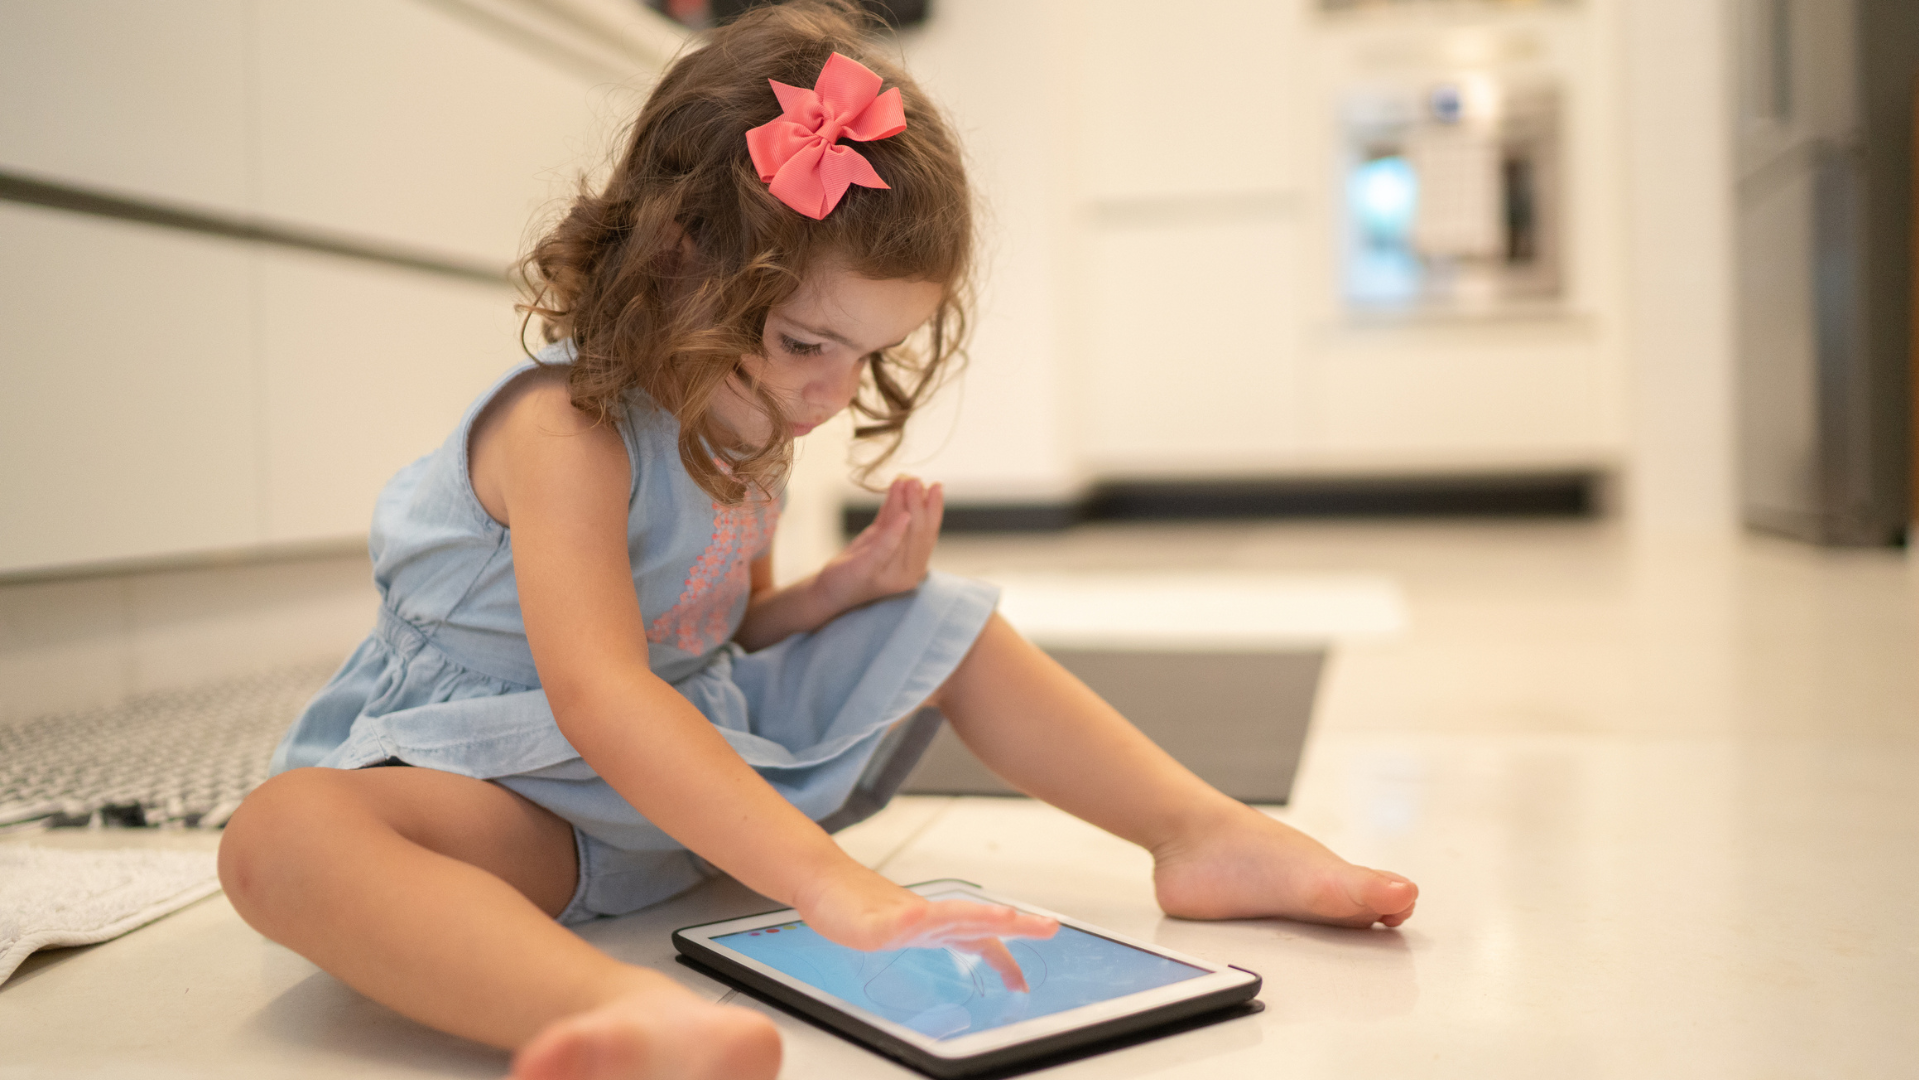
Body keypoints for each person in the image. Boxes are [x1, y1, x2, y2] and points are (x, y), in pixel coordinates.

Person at [217, 4, 1418, 1078]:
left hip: (685, 766)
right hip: (517, 797)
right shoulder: (562, 428)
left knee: (936, 620)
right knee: (285, 835)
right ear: (677, 258)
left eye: (867, 356)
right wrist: (828, 879)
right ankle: (616, 1017)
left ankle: (1200, 833)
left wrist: (841, 593)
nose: (831, 395)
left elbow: (715, 631)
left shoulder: (748, 414)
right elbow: (598, 695)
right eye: (806, 345)